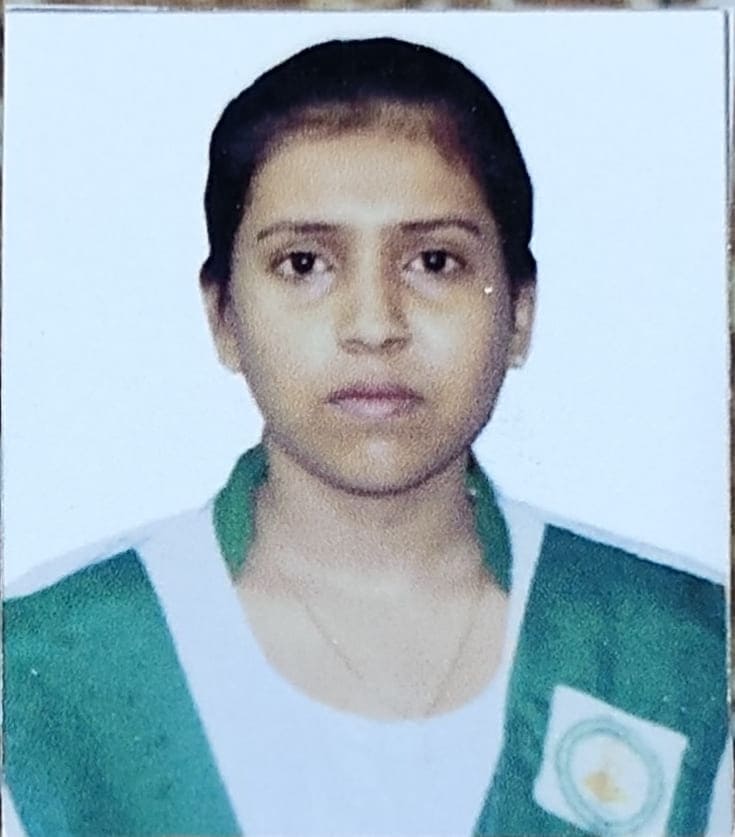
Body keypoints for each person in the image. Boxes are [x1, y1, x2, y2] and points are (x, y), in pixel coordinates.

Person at [3, 37, 729, 837]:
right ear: (223, 317)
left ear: (519, 312)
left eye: (434, 261)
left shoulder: (682, 650)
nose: (374, 325)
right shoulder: (47, 668)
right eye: (304, 263)